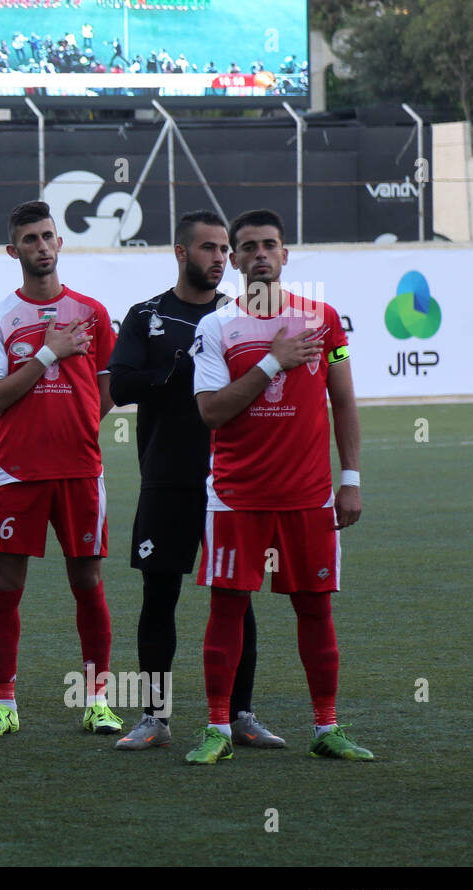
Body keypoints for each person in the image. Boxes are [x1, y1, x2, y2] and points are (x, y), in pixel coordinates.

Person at [187, 208, 372, 764]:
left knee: (315, 610)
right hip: (236, 496)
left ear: (285, 254)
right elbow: (211, 413)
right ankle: (218, 728)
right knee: (226, 607)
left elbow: (342, 399)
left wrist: (351, 480)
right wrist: (273, 361)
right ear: (236, 259)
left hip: (310, 497)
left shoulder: (324, 320)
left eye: (270, 244)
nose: (260, 254)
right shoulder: (215, 327)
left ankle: (327, 727)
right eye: (248, 247)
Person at [107, 211, 281, 750]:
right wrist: (175, 371)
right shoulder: (146, 316)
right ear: (181, 253)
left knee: (235, 599)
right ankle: (154, 718)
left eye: (224, 250)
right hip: (166, 476)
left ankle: (241, 713)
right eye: (208, 248)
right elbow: (119, 386)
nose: (220, 259)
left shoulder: (238, 320)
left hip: (230, 481)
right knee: (159, 596)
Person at [0, 201, 120, 738]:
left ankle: (97, 699)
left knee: (87, 580)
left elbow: (106, 393)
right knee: (7, 584)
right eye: (29, 239)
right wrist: (48, 355)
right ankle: (6, 702)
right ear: (14, 251)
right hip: (14, 471)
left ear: (60, 243)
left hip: (79, 469)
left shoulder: (94, 313)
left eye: (47, 236)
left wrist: (75, 425)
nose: (40, 246)